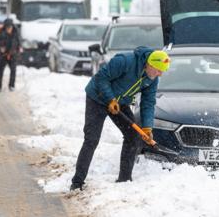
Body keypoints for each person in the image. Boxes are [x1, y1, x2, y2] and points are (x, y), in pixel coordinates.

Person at [70, 46, 170, 191]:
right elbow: (101, 78)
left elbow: (148, 103)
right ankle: (77, 182)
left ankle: (124, 179)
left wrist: (148, 127)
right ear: (149, 64)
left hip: (120, 103)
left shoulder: (152, 79)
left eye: (162, 71)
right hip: (97, 98)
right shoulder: (125, 61)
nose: (160, 74)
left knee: (133, 135)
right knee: (92, 139)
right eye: (158, 70)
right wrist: (110, 99)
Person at [0, 18, 21, 92]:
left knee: (13, 70)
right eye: (7, 27)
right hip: (3, 55)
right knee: (0, 71)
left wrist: (19, 50)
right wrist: (0, 49)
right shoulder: (0, 33)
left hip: (13, 54)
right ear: (5, 27)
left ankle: (11, 86)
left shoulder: (16, 32)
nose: (9, 28)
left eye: (10, 27)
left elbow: (19, 43)